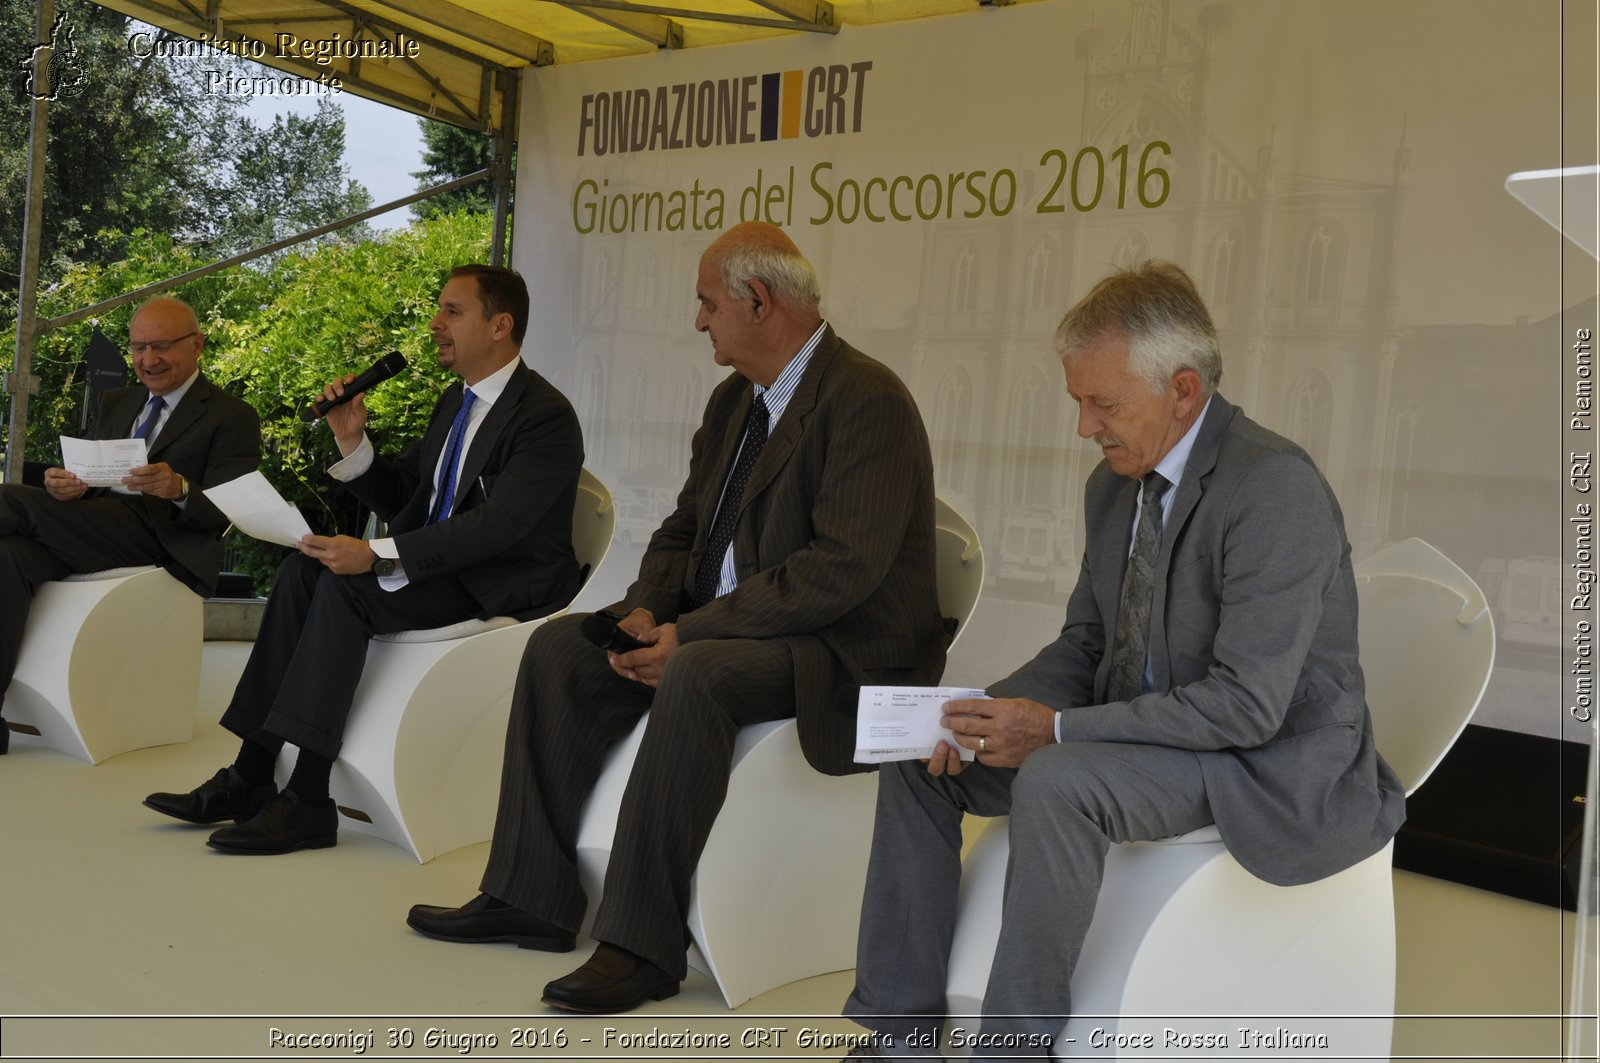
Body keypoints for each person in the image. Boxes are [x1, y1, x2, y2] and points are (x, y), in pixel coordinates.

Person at [840, 262, 1407, 1060]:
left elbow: (1247, 706)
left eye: (1102, 403)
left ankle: (1012, 1047)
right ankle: (895, 1033)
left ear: (1181, 390)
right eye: (1078, 400)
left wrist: (1058, 731)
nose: (1084, 426)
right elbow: (1086, 645)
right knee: (923, 760)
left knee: (1057, 779)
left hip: (1257, 760)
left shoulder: (1274, 488)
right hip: (1147, 737)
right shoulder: (1112, 488)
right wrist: (979, 714)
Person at [406, 222, 947, 1013]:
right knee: (564, 646)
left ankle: (642, 943)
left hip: (841, 649)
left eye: (706, 303)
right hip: (734, 622)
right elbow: (686, 528)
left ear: (758, 302)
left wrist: (690, 632)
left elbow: (840, 571)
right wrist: (652, 609)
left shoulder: (868, 400)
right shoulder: (736, 400)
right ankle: (532, 894)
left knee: (697, 669)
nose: (697, 321)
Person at [143, 265, 585, 853]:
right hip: (445, 563)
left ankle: (307, 798)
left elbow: (499, 527)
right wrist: (353, 440)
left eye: (452, 311)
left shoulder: (545, 416)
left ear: (500, 324)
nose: (435, 324)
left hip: (499, 579)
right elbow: (411, 496)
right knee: (304, 571)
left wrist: (376, 554)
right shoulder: (456, 401)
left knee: (348, 587)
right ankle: (251, 774)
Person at [0, 296, 261, 755]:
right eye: (138, 348)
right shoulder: (117, 401)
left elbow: (230, 510)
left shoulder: (232, 415)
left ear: (197, 344)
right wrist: (68, 486)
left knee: (13, 500)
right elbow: (95, 474)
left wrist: (178, 487)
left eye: (161, 346)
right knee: (9, 555)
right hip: (95, 522)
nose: (148, 360)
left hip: (160, 537)